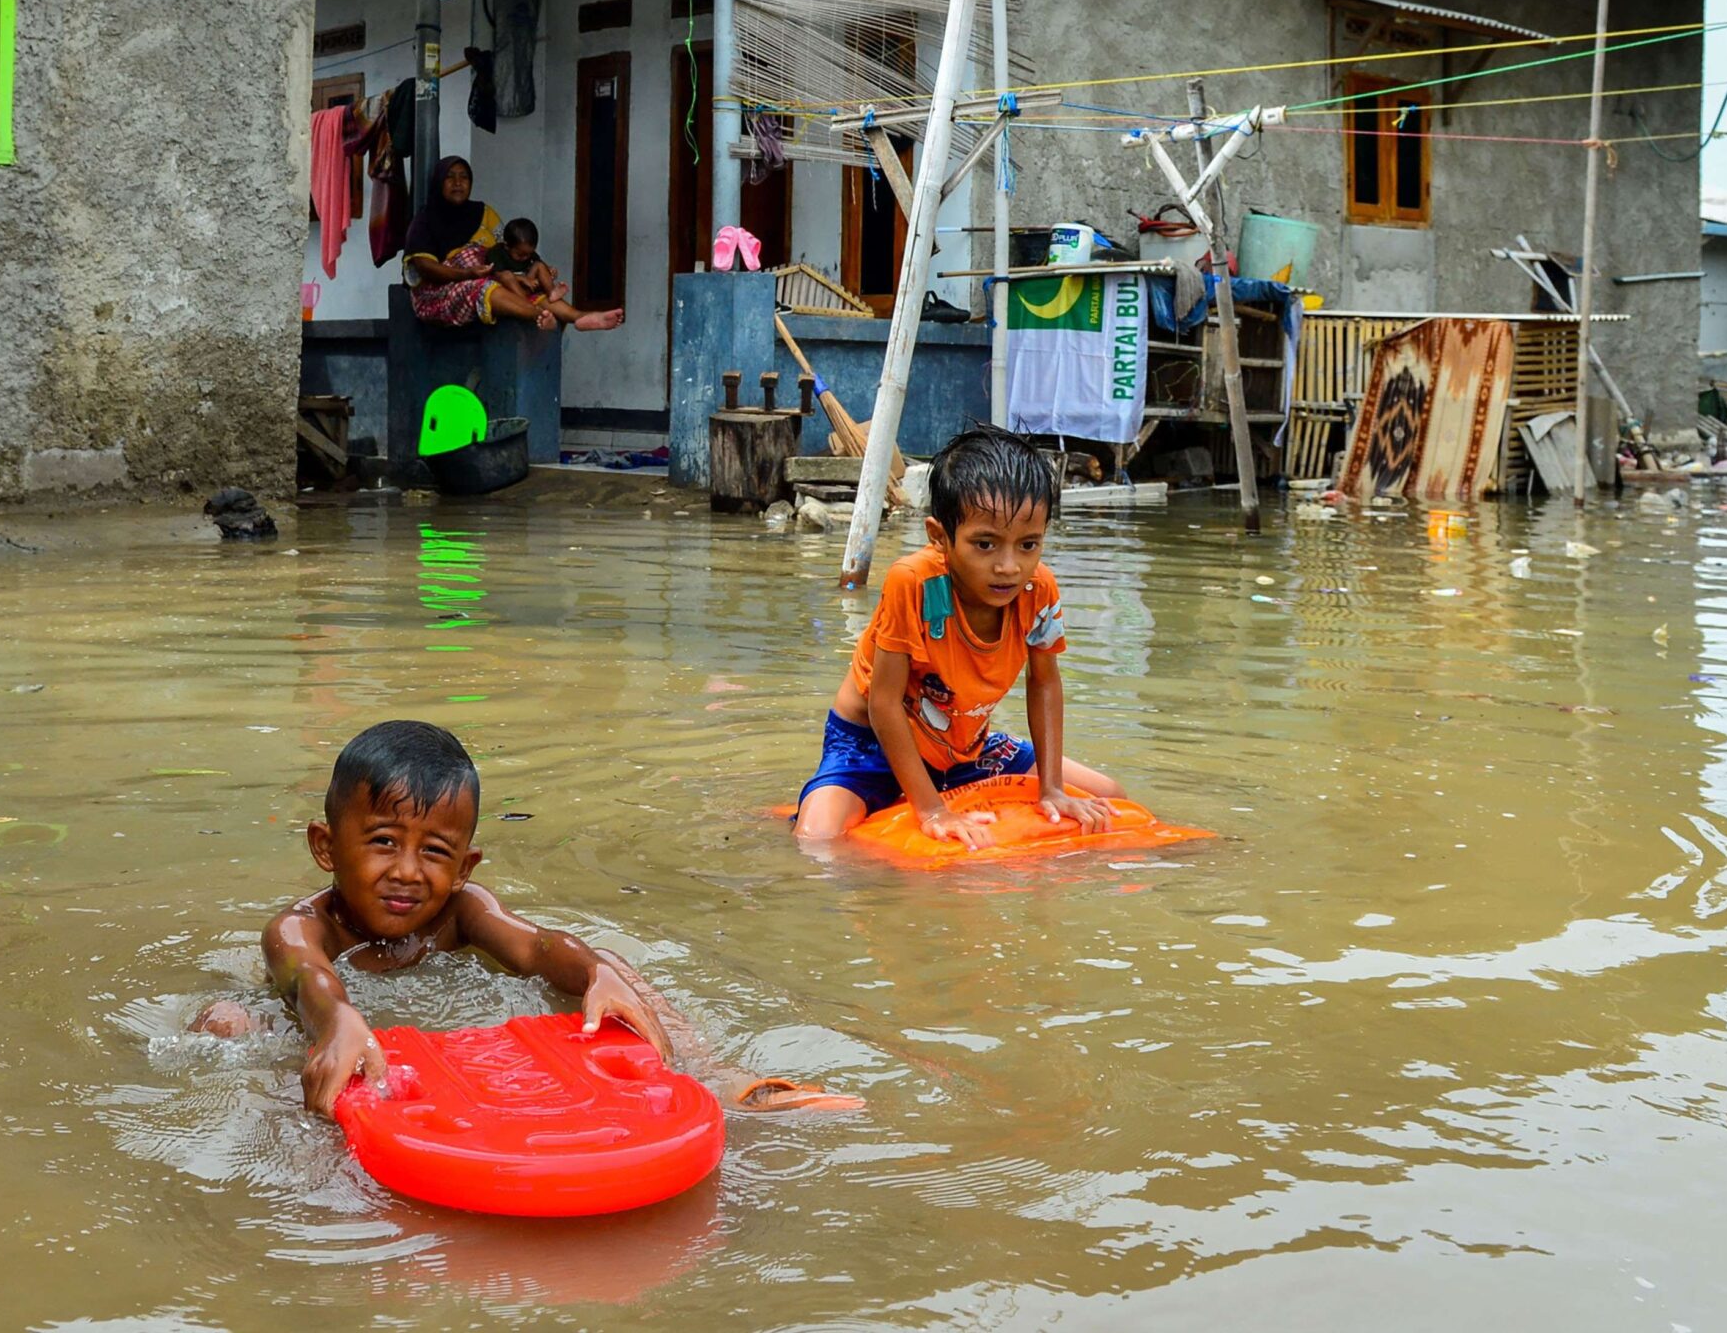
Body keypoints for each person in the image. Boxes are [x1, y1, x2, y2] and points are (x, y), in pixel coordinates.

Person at [211, 720, 854, 1116]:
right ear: (326, 847)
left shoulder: (461, 912)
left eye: (435, 852)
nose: (408, 871)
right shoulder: (299, 929)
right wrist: (339, 1022)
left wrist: (597, 974)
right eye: (383, 842)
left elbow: (539, 948)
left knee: (611, 969)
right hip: (315, 1022)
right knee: (225, 1020)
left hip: (404, 1023)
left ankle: (713, 1076)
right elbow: (312, 982)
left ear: (465, 867)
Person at [795, 427, 1126, 844]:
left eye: (1028, 545)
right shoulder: (913, 583)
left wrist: (1052, 789)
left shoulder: (1038, 589)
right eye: (985, 544)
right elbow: (883, 704)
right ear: (939, 537)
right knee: (817, 837)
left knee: (1110, 795)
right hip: (871, 743)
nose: (1009, 567)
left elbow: (1044, 682)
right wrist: (932, 810)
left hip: (964, 747)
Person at [404, 157, 623, 334]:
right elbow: (424, 266)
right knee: (486, 289)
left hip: (490, 276)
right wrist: (467, 273)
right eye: (450, 177)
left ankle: (582, 317)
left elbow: (506, 249)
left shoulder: (483, 213)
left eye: (464, 177)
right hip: (441, 292)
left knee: (533, 289)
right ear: (438, 182)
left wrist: (528, 273)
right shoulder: (425, 221)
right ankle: (538, 315)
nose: (458, 183)